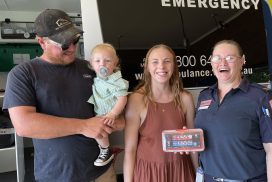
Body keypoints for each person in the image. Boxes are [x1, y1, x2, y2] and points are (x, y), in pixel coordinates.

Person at [2, 9, 125, 182]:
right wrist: (84, 126)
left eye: (75, 40)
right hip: (56, 176)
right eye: (64, 44)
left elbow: (115, 108)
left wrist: (116, 120)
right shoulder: (23, 74)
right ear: (41, 42)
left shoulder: (91, 68)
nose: (73, 47)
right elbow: (24, 125)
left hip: (101, 173)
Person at [194, 39, 272, 181]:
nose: (222, 63)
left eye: (230, 58)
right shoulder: (204, 96)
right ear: (211, 62)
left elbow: (271, 150)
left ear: (242, 61)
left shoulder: (260, 97)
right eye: (217, 58)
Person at [123, 44, 198, 182]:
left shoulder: (185, 99)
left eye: (167, 61)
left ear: (174, 65)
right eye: (155, 62)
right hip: (148, 173)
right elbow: (130, 149)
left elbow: (193, 146)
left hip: (181, 171)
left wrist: (198, 176)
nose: (161, 67)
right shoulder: (136, 99)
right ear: (147, 67)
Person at [87, 43, 129, 166]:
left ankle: (105, 150)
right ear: (91, 63)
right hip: (102, 112)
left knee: (98, 131)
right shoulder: (96, 78)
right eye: (98, 61)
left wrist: (113, 114)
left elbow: (122, 99)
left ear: (115, 63)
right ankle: (105, 149)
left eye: (107, 61)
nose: (102, 64)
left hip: (110, 113)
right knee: (97, 130)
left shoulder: (116, 80)